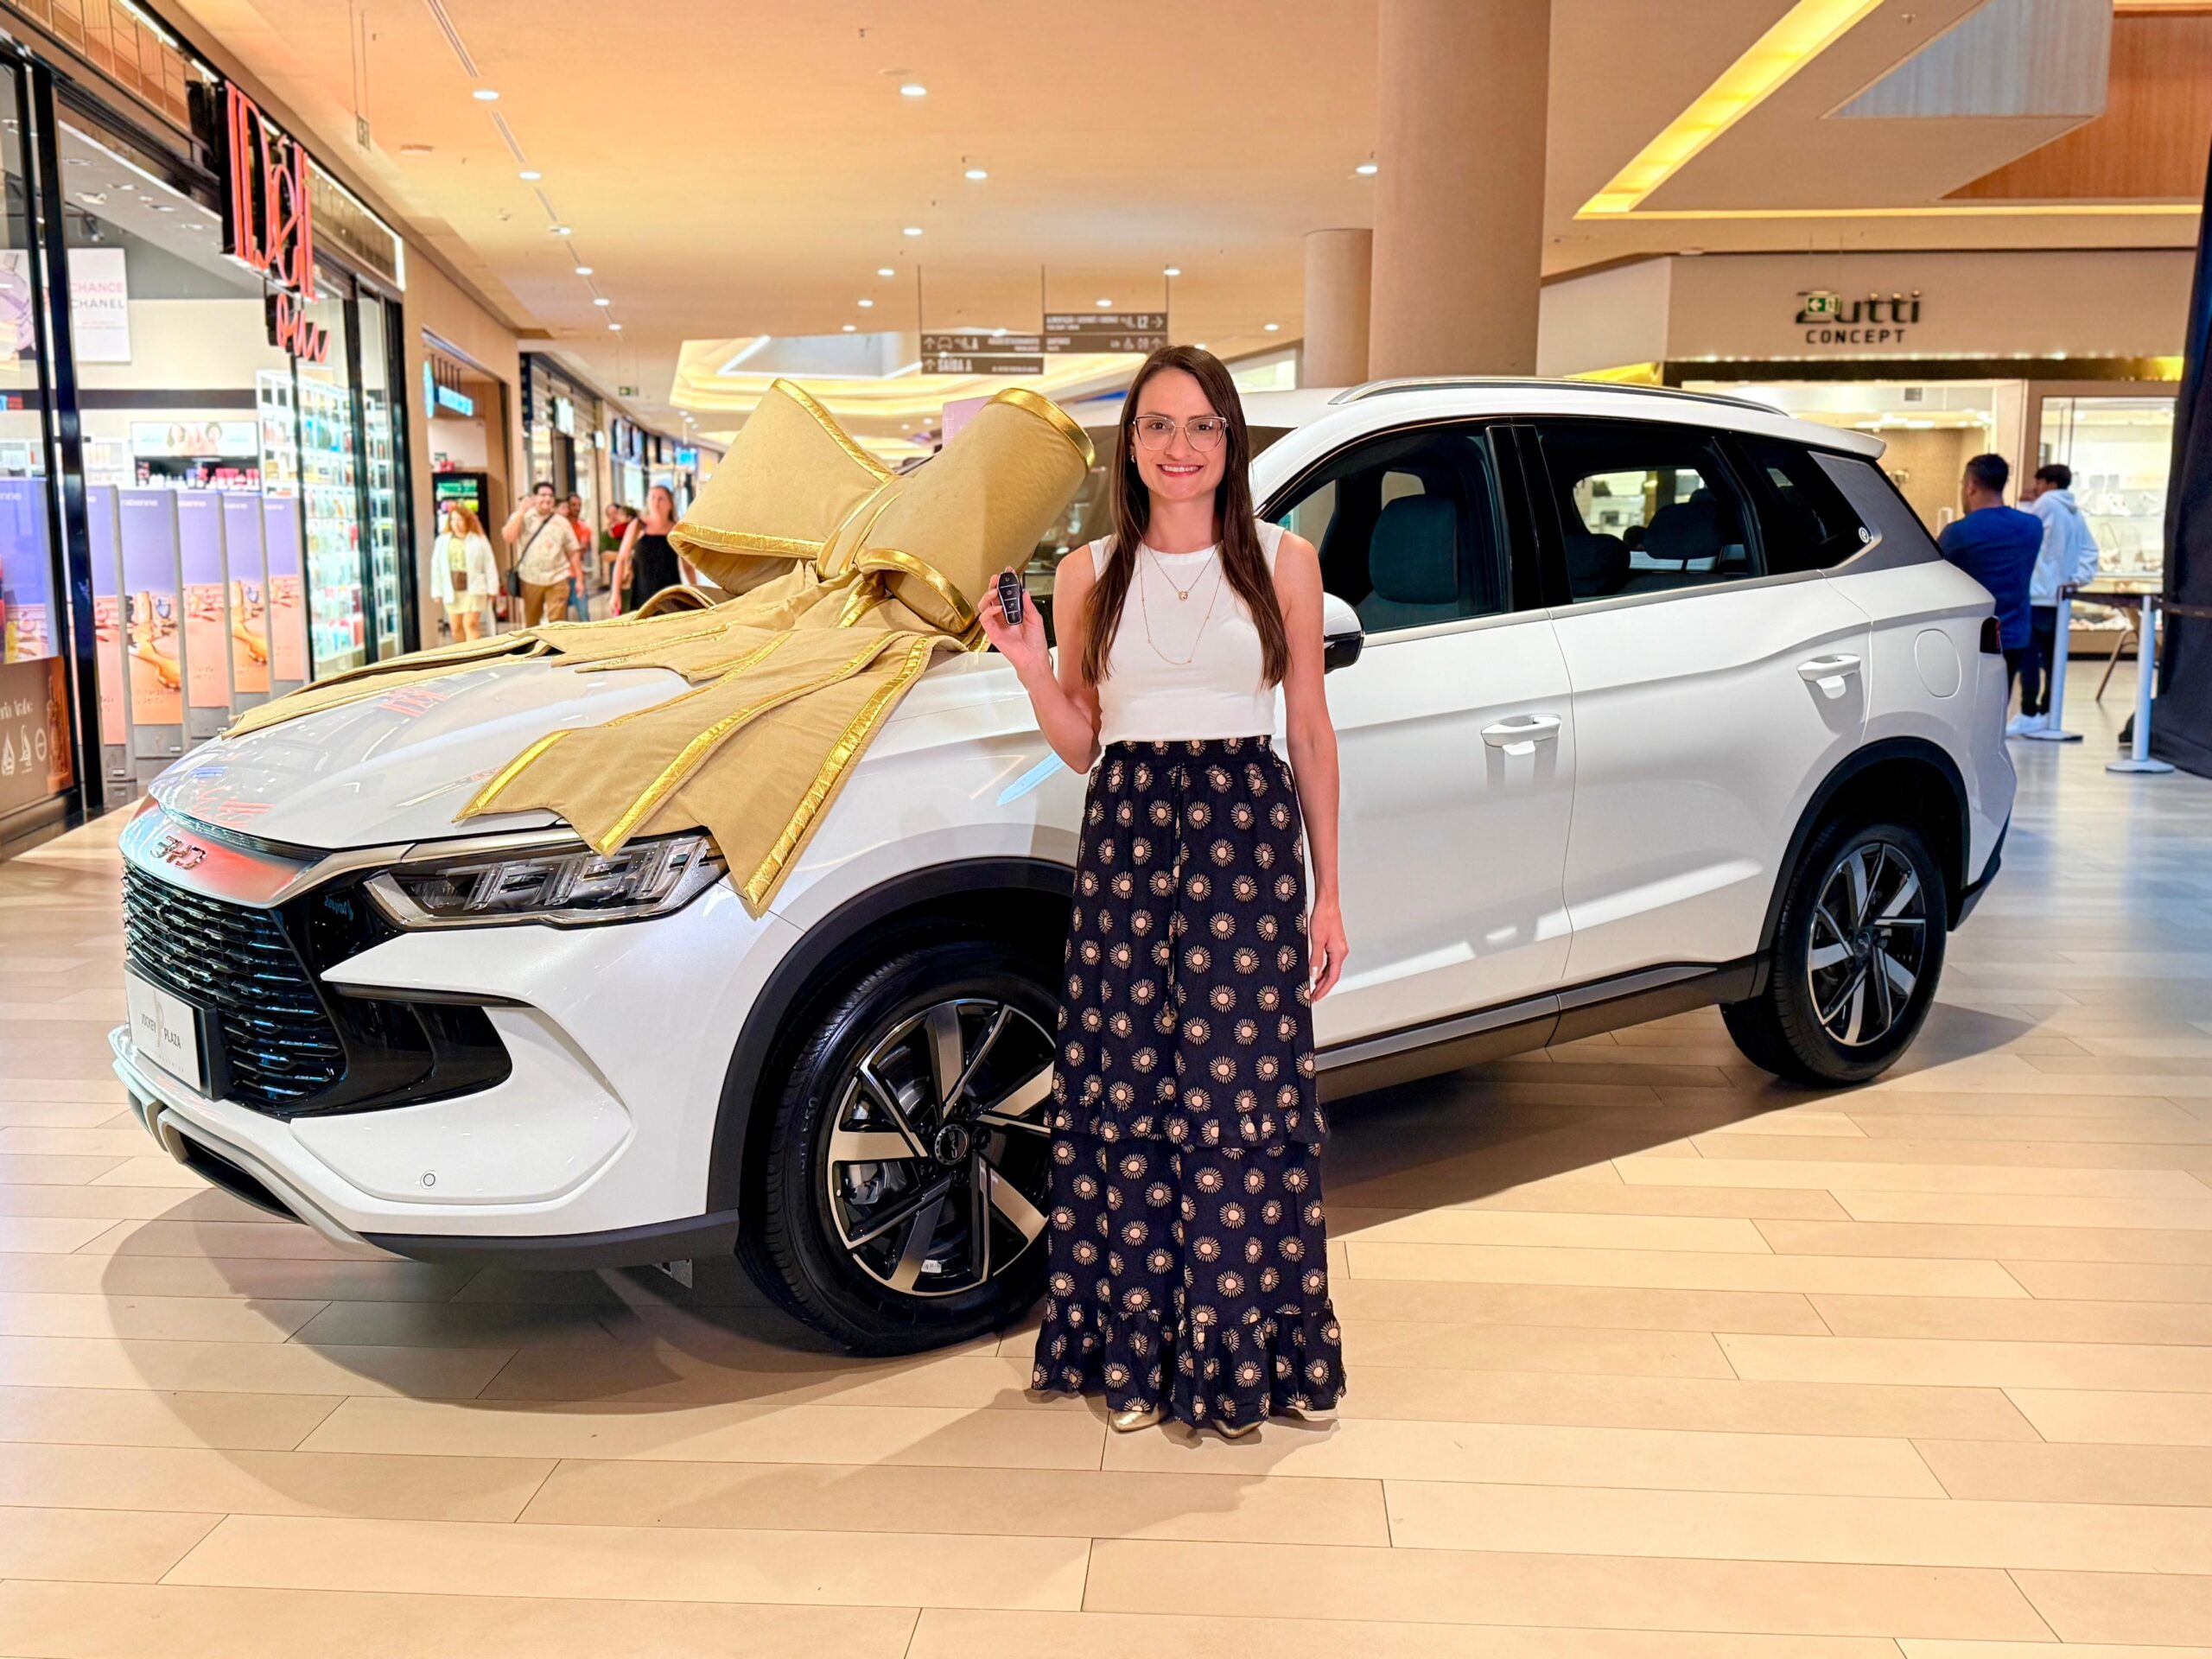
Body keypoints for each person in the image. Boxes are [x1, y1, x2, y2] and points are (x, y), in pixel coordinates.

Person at [981, 343, 1349, 1439]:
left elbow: (1310, 731)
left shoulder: (1284, 561)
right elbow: (1084, 742)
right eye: (1156, 425)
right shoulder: (1088, 573)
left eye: (1199, 425)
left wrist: (1329, 895)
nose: (1178, 446)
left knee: (1241, 1099)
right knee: (1126, 1095)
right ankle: (1130, 1350)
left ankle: (1240, 1355)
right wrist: (1030, 663)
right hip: (1129, 843)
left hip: (1245, 843)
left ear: (1228, 441)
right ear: (1129, 444)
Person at [1937, 454, 2040, 709]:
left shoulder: (1958, 533)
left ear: (1970, 486)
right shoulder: (2032, 527)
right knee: (1998, 708)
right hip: (2015, 635)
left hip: (1970, 637)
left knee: (1966, 709)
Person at [2013, 462, 2104, 734]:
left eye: (2039, 483)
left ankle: (2028, 711)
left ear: (2050, 483)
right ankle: (2048, 710)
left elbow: (2025, 534)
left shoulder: (2046, 504)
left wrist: (2025, 505)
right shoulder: (2075, 513)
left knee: (2029, 658)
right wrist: (2077, 579)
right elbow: (2090, 550)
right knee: (2054, 660)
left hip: (2037, 595)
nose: (2036, 489)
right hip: (2060, 600)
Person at [501, 480, 582, 628]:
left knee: (557, 622)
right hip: (530, 578)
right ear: (535, 498)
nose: (547, 499)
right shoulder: (524, 517)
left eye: (550, 496)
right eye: (543, 495)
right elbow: (509, 537)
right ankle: (535, 644)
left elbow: (573, 550)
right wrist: (521, 512)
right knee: (532, 622)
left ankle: (555, 643)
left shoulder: (561, 522)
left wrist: (579, 579)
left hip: (558, 576)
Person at [428, 504, 498, 640]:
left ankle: (474, 652)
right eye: (453, 520)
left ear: (467, 521)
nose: (456, 523)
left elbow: (489, 564)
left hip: (474, 589)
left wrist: (492, 589)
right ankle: (462, 652)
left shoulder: (479, 540)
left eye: (460, 520)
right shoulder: (442, 541)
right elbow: (436, 566)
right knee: (456, 628)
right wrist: (437, 591)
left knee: (471, 624)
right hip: (452, 589)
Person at [613, 485, 685, 613]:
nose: (656, 502)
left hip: (671, 593)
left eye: (661, 498)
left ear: (670, 504)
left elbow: (687, 565)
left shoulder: (677, 529)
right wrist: (615, 593)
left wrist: (695, 593)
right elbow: (621, 559)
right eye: (653, 498)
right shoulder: (638, 525)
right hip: (642, 592)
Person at [562, 493, 594, 620]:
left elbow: (581, 550)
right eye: (573, 505)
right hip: (561, 576)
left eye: (579, 505)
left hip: (577, 575)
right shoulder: (559, 526)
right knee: (560, 618)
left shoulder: (584, 528)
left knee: (584, 614)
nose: (577, 508)